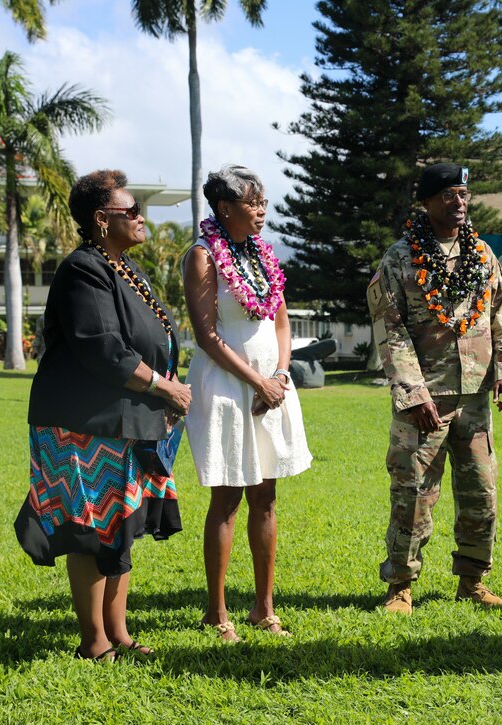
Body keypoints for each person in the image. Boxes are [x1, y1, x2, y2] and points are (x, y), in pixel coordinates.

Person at [15, 169, 192, 660]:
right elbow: (103, 348)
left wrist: (166, 388)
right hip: (82, 423)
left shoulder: (123, 269)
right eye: (130, 211)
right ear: (101, 218)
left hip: (126, 420)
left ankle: (120, 633)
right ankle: (94, 641)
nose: (141, 219)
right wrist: (163, 386)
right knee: (91, 529)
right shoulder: (83, 270)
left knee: (121, 523)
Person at [366, 162, 502, 614]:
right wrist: (414, 393)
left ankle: (472, 579)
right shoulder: (400, 258)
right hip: (426, 399)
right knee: (413, 494)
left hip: (475, 397)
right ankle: (400, 584)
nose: (458, 203)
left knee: (481, 491)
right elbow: (390, 328)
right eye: (448, 196)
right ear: (427, 202)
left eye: (463, 195)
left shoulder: (482, 255)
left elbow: (501, 315)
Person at [183, 164, 312, 642]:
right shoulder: (202, 258)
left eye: (263, 202)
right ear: (224, 208)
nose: (261, 211)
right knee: (228, 498)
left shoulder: (262, 254)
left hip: (272, 385)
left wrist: (279, 375)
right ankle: (216, 613)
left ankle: (263, 607)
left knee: (266, 496)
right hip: (227, 385)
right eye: (252, 203)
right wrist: (257, 381)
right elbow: (208, 336)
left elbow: (281, 324)